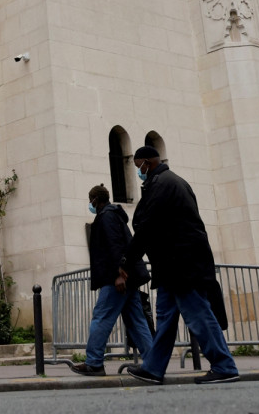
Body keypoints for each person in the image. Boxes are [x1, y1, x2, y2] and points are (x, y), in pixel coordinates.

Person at [117, 146, 238, 385]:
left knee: (198, 315)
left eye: (137, 166)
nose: (137, 171)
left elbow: (147, 227)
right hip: (173, 265)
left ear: (147, 163)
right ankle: (153, 369)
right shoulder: (170, 182)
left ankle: (224, 366)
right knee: (165, 319)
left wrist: (127, 260)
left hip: (182, 264)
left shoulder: (163, 184)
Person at [69, 184, 154, 376]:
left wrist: (118, 274)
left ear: (95, 200)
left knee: (101, 317)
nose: (90, 204)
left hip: (116, 278)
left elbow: (114, 246)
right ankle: (153, 362)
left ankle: (94, 363)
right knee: (136, 321)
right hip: (127, 276)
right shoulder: (114, 215)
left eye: (90, 200)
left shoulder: (106, 217)